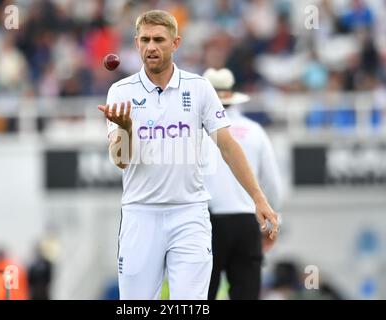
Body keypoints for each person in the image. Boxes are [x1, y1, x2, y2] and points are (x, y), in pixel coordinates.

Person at [97, 10, 279, 300]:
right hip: (140, 212)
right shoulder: (121, 92)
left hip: (189, 213)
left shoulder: (199, 88)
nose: (151, 47)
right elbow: (121, 160)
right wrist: (126, 130)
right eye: (144, 40)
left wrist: (258, 197)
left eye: (159, 39)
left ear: (176, 43)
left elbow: (229, 147)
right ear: (136, 43)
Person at [201, 68, 283, 300]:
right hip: (247, 222)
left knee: (201, 297)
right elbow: (273, 185)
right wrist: (273, 222)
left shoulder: (193, 132)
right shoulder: (255, 131)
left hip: (206, 224)